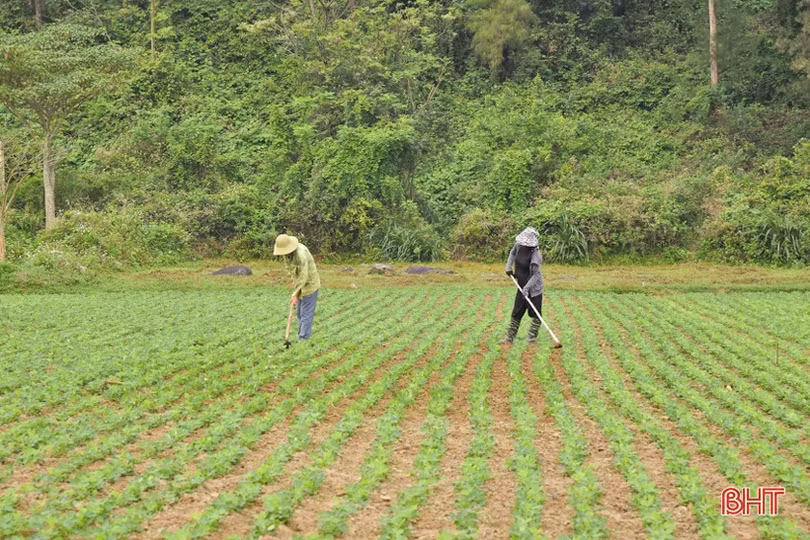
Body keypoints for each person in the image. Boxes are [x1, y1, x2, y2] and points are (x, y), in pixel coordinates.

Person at [499, 226, 544, 344]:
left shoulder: (536, 255)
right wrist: (508, 267)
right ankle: (509, 337)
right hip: (521, 284)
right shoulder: (518, 246)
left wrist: (527, 288)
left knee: (535, 313)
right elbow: (512, 253)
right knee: (517, 311)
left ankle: (531, 338)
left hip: (533, 288)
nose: (523, 245)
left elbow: (536, 275)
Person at [273, 234, 321, 341]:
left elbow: (304, 275)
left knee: (306, 315)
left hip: (309, 285)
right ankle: (301, 335)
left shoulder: (301, 254)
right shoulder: (287, 255)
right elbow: (291, 269)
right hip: (300, 284)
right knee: (299, 313)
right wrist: (295, 281)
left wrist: (295, 294)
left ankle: (303, 340)